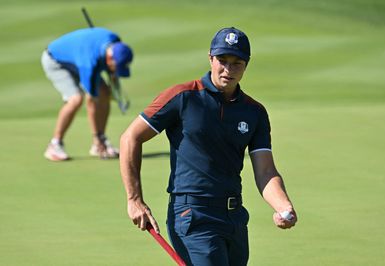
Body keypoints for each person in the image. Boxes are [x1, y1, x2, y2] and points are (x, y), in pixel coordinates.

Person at [120, 27, 297, 265]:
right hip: (193, 215)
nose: (228, 69)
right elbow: (130, 138)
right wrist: (134, 199)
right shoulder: (183, 97)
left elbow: (265, 171)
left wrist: (283, 205)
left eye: (237, 63)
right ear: (210, 58)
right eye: (222, 61)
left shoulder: (254, 112)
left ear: (246, 65)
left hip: (235, 217)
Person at [41, 27, 133, 161]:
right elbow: (91, 102)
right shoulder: (89, 63)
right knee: (76, 99)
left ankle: (100, 142)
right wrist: (95, 135)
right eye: (116, 67)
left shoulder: (116, 42)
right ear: (109, 58)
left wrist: (113, 74)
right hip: (55, 60)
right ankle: (54, 145)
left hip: (78, 56)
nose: (116, 71)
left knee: (104, 92)